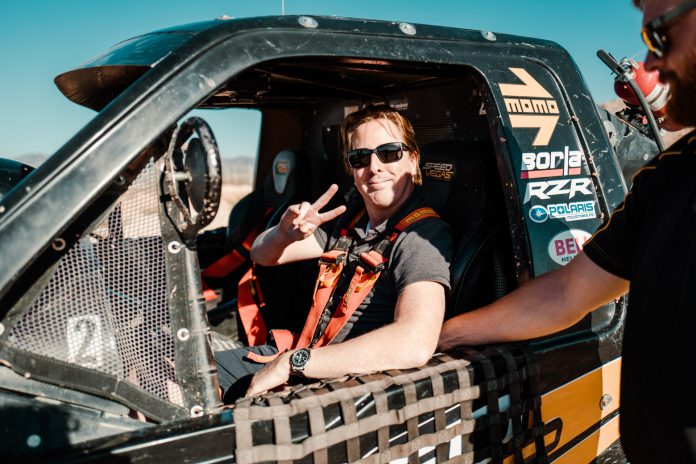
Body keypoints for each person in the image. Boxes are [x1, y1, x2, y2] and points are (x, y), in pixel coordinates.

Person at [438, 1, 696, 462]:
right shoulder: (667, 178)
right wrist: (444, 335)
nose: (652, 63)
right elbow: (566, 292)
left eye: (659, 36)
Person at [215, 105, 453, 401]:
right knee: (185, 375)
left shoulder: (421, 237)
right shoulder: (350, 221)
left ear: (414, 161)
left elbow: (416, 341)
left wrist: (294, 363)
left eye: (389, 153)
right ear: (352, 170)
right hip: (305, 360)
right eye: (360, 158)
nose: (374, 167)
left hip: (343, 385)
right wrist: (282, 235)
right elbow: (261, 255)